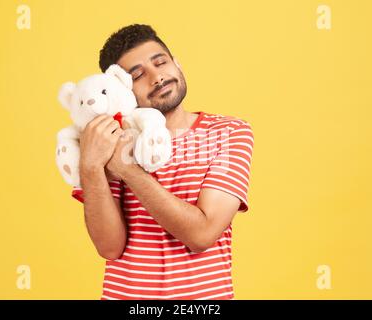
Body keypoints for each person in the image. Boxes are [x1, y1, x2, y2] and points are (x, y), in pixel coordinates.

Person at [71, 24, 254, 300]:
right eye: (138, 75)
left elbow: (202, 235)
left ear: (177, 63)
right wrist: (90, 166)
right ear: (119, 88)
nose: (157, 77)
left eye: (161, 62)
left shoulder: (228, 132)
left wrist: (128, 170)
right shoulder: (108, 141)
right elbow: (109, 248)